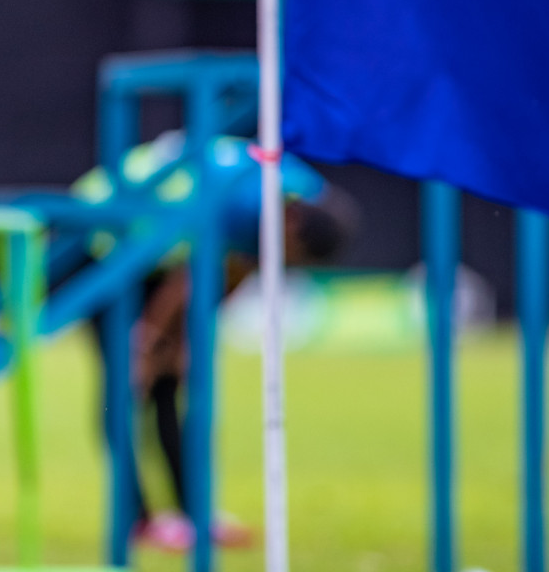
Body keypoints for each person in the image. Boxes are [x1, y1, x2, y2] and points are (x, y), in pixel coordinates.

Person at [75, 132, 357, 552]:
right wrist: (148, 343)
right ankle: (138, 519)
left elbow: (240, 265)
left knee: (171, 385)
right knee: (124, 387)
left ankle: (194, 515)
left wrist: (186, 338)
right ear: (292, 223)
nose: (284, 263)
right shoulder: (248, 204)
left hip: (155, 248)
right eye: (291, 255)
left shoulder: (301, 197)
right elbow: (187, 277)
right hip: (98, 239)